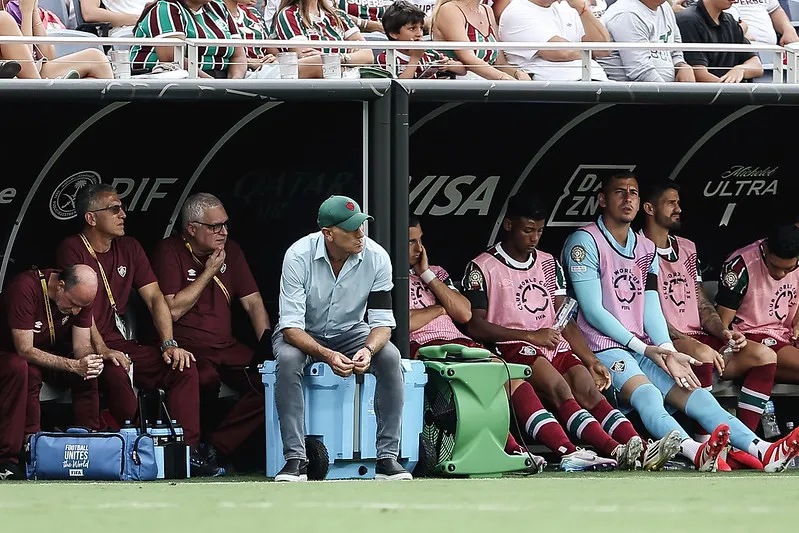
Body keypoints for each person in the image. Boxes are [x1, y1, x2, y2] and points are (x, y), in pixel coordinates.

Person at [561, 171, 799, 472]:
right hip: (605, 348)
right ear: (602, 199)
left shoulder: (645, 247)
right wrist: (649, 349)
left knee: (695, 394)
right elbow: (593, 310)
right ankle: (694, 451)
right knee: (647, 394)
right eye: (619, 192)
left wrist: (666, 350)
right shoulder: (585, 240)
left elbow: (650, 308)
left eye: (633, 192)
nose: (628, 198)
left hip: (643, 345)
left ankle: (762, 449)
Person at [463, 195, 653, 471]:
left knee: (588, 388)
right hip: (513, 347)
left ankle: (637, 447)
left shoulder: (549, 263)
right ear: (508, 225)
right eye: (528, 230)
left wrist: (590, 360)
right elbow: (475, 325)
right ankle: (587, 451)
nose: (534, 238)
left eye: (539, 231)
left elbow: (565, 319)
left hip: (553, 343)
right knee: (559, 387)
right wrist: (531, 336)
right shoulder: (482, 266)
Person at [56, 183, 223, 477]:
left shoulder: (130, 247)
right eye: (114, 209)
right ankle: (138, 451)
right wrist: (104, 350)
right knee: (115, 373)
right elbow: (82, 311)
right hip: (86, 346)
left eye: (122, 208)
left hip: (120, 344)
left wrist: (169, 343)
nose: (123, 214)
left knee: (182, 367)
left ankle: (186, 452)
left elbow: (156, 297)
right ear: (91, 218)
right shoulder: (72, 247)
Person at [273, 195, 409, 482]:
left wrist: (369, 350)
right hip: (303, 332)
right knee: (286, 359)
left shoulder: (377, 257)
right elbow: (290, 328)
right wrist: (327, 355)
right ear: (328, 233)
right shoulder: (297, 255)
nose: (360, 235)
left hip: (351, 331)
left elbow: (383, 323)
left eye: (361, 226)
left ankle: (387, 459)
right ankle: (295, 460)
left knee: (391, 357)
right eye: (351, 229)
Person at [641, 180, 775, 469]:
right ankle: (706, 445)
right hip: (664, 340)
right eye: (671, 203)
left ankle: (743, 443)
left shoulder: (687, 247)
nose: (678, 208)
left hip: (700, 336)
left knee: (763, 356)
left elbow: (702, 304)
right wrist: (688, 340)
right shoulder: (636, 248)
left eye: (678, 202)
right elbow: (640, 310)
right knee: (700, 354)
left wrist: (724, 331)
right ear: (649, 208)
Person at [408, 213, 548, 472]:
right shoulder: (386, 275)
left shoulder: (435, 273)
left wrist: (426, 274)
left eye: (421, 241)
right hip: (426, 347)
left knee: (502, 373)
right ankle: (510, 448)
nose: (419, 249)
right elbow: (403, 322)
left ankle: (563, 449)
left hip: (460, 341)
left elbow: (463, 312)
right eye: (411, 242)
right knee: (471, 385)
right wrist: (439, 310)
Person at [150, 193, 269, 468]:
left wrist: (268, 346)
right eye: (215, 226)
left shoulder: (233, 251)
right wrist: (209, 271)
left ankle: (217, 446)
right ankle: (192, 451)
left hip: (226, 346)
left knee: (272, 382)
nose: (223, 232)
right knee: (201, 378)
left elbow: (252, 304)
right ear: (192, 228)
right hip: (189, 348)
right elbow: (173, 309)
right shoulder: (169, 252)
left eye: (226, 225)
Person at [0, 265, 104, 480]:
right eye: (74, 304)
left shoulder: (82, 295)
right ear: (61, 286)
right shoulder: (25, 288)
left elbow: (81, 345)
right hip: (11, 354)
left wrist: (87, 360)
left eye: (82, 307)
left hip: (49, 353)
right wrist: (73, 365)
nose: (76, 312)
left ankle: (91, 444)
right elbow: (25, 349)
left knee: (87, 372)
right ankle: (25, 450)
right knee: (25, 369)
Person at [716, 224, 799, 386]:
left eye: (789, 269)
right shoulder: (740, 265)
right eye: (775, 266)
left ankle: (751, 371)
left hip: (786, 336)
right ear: (766, 250)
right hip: (750, 336)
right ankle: (748, 366)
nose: (781, 274)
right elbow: (722, 325)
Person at [130, 0, 247, 79]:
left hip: (222, 78)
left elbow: (238, 56)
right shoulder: (166, 8)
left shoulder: (219, 7)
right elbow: (173, 58)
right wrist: (215, 85)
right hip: (176, 80)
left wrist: (234, 82)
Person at [498, 0, 611, 81]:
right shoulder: (516, 11)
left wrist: (583, 10)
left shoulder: (568, 7)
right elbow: (562, 53)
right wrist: (590, 51)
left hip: (596, 81)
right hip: (555, 89)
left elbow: (603, 49)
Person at [598, 0, 696, 82]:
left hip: (661, 92)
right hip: (630, 96)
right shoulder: (626, 13)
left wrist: (682, 66)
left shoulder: (665, 7)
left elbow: (675, 49)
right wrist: (671, 96)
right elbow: (640, 71)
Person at [431, 0, 530, 80]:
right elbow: (469, 59)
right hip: (458, 86)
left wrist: (517, 73)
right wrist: (503, 78)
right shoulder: (449, 9)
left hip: (488, 83)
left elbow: (499, 63)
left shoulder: (487, 10)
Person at [273, 0, 375, 77]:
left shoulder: (338, 15)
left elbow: (368, 55)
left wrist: (339, 58)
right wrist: (352, 60)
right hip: (312, 88)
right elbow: (308, 59)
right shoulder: (288, 14)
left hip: (345, 82)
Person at [676, 0, 763, 82]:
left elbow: (757, 66)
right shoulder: (688, 21)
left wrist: (741, 69)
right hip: (708, 95)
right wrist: (732, 92)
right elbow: (698, 74)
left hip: (730, 93)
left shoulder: (730, 21)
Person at [378, 1, 465, 79]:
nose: (419, 33)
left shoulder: (430, 53)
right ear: (394, 33)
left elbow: (463, 70)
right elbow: (400, 88)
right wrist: (415, 58)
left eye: (421, 28)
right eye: (412, 29)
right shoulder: (386, 58)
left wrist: (448, 65)